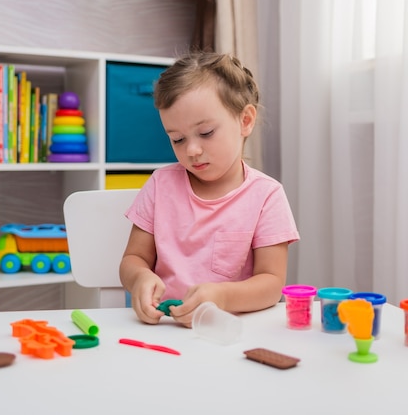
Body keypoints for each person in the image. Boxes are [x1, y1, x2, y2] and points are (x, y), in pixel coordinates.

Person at [119, 51, 299, 327]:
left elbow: (272, 283)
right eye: (177, 139)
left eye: (205, 133)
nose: (191, 150)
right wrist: (139, 277)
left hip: (229, 331)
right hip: (163, 329)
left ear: (245, 121)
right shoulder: (160, 185)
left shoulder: (267, 196)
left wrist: (222, 297)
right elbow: (134, 258)